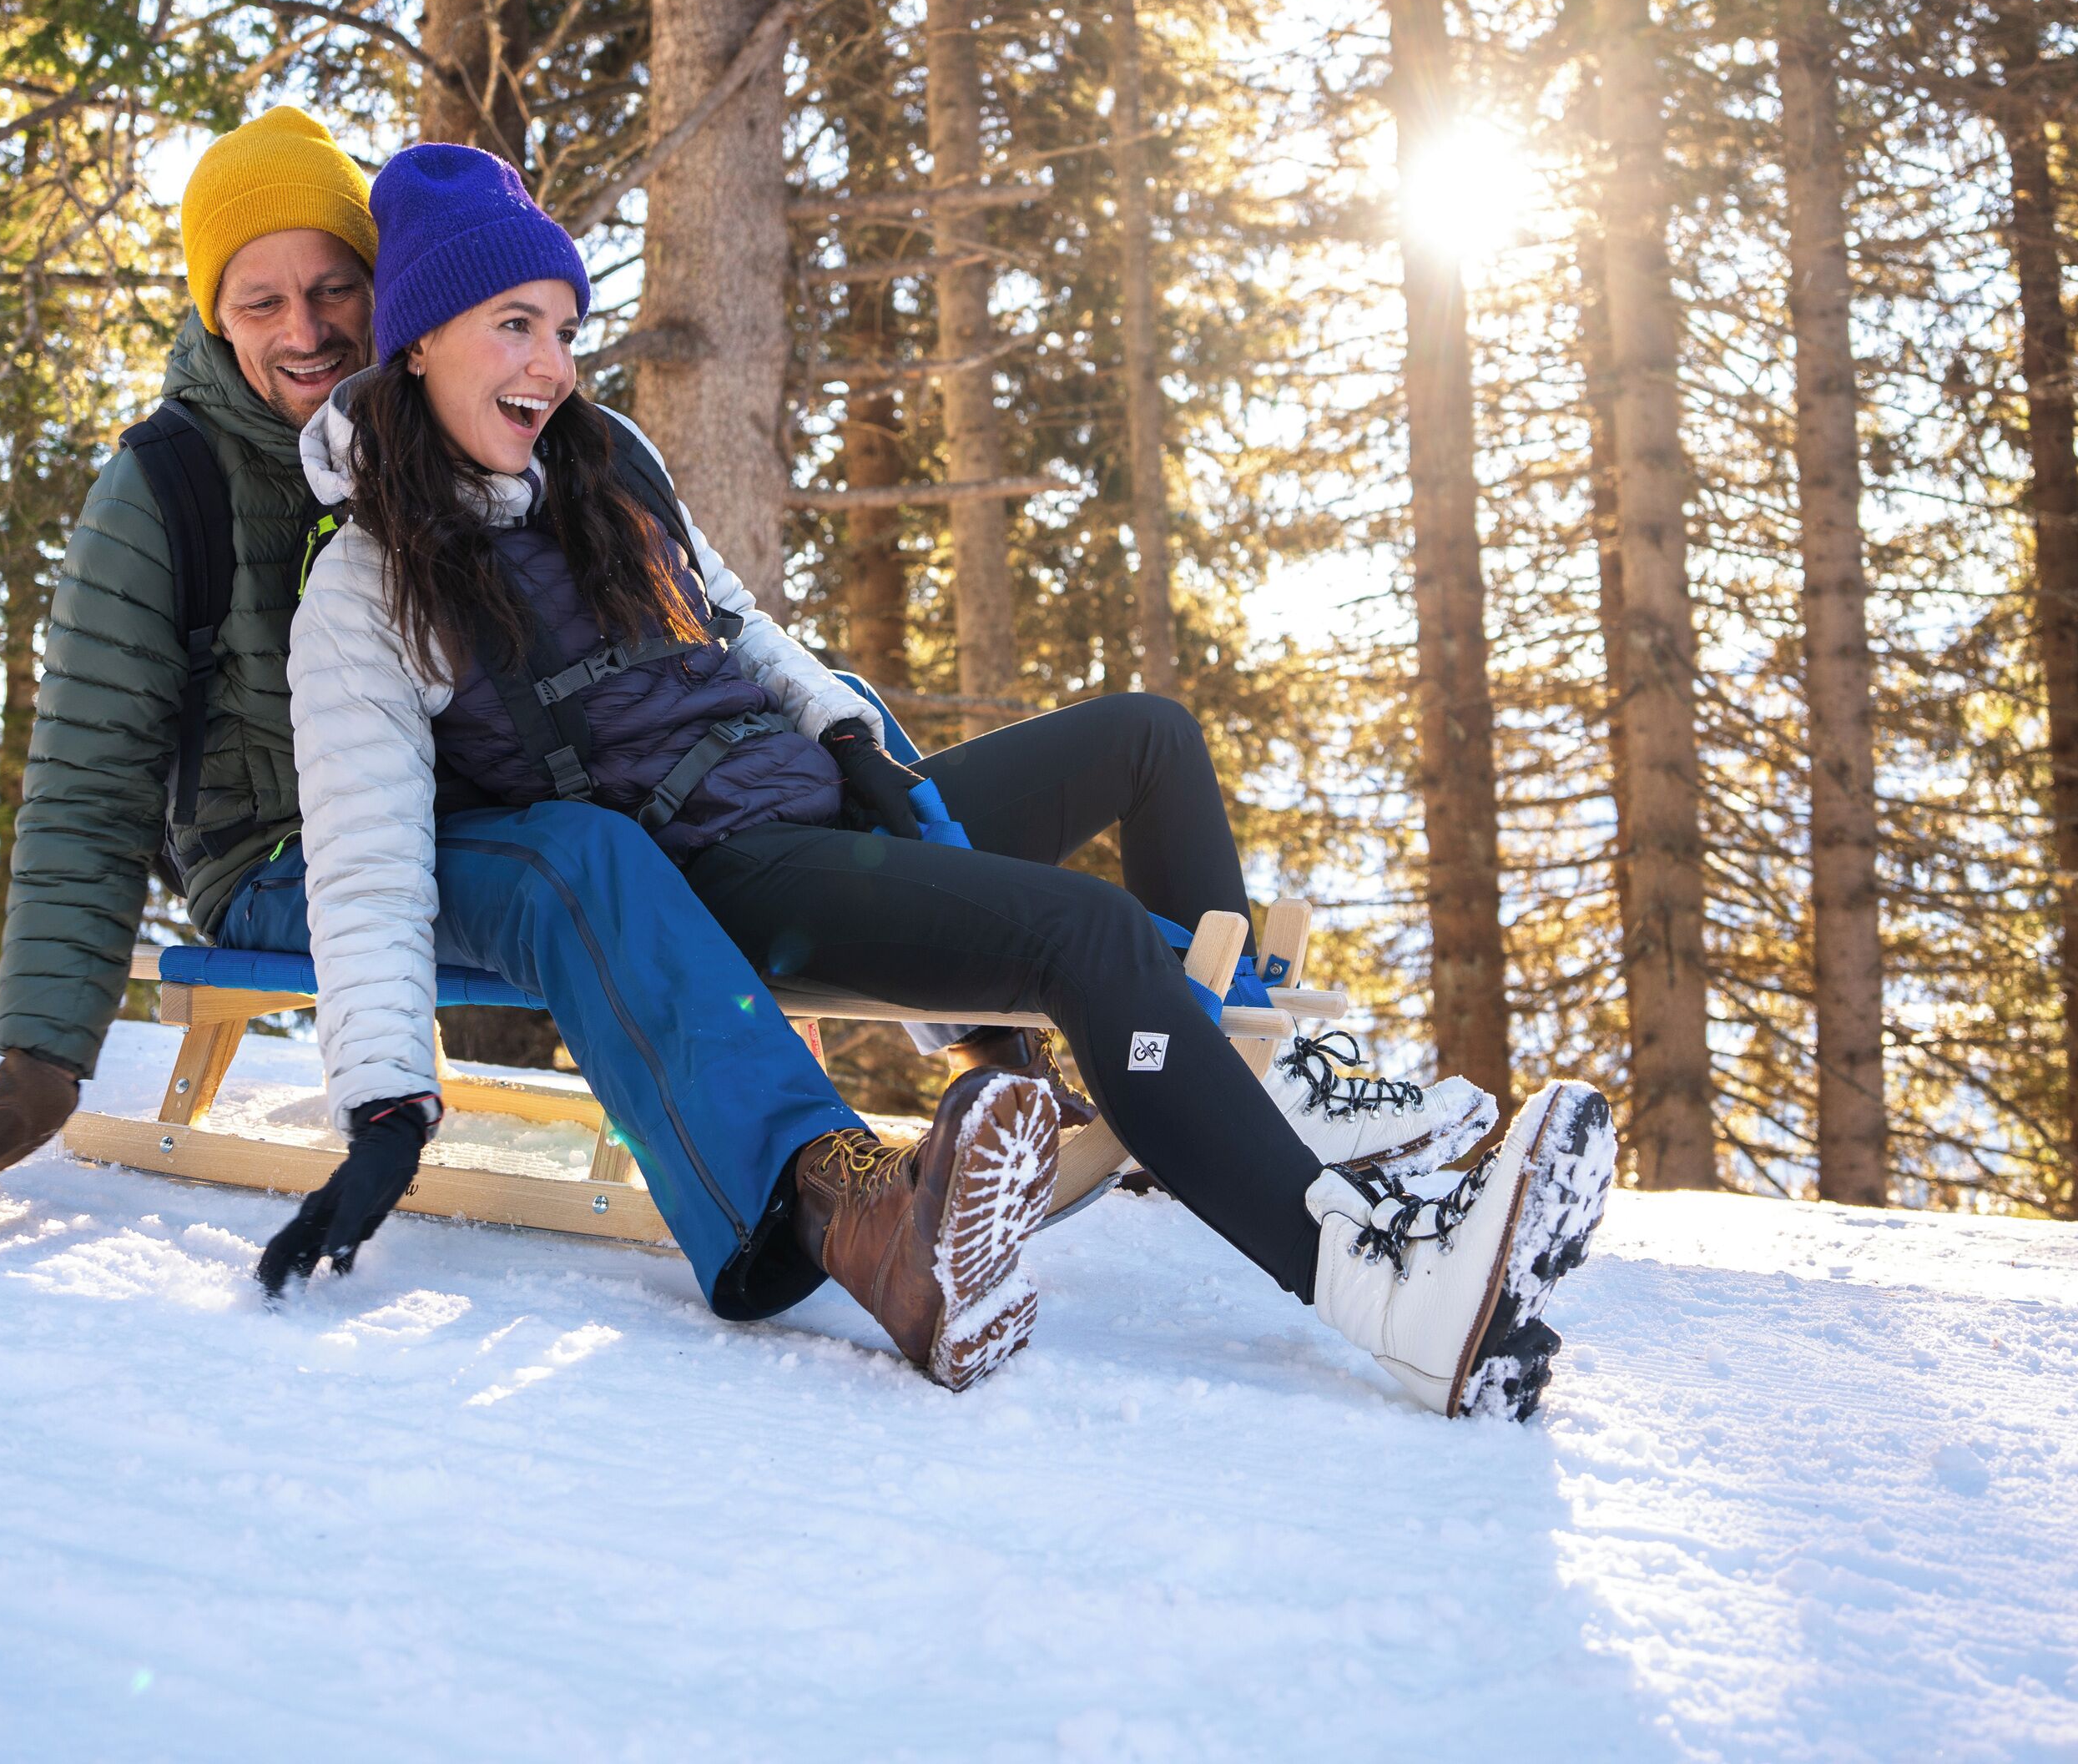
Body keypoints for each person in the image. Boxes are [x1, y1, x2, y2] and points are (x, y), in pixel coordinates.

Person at [286, 144, 1620, 1418]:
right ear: (422, 337)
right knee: (1081, 934)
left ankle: (1253, 1089)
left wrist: (848, 734)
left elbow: (740, 625)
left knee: (1147, 735)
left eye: (567, 330)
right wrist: (386, 1108)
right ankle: (1389, 1296)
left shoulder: (606, 460)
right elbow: (368, 857)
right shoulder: (365, 584)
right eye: (516, 326)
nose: (554, 367)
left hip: (811, 798)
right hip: (729, 878)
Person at [0, 113, 878, 1333]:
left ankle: (1034, 1052)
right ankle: (818, 1198)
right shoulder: (165, 489)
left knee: (736, 796)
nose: (306, 330)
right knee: (578, 861)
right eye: (262, 300)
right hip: (283, 855)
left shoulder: (465, 424)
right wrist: (39, 1065)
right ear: (215, 314)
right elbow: (89, 777)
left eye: (334, 288)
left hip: (476, 812)